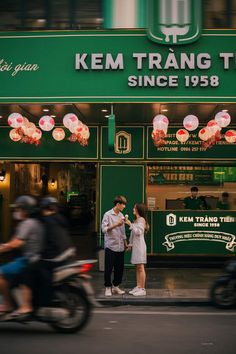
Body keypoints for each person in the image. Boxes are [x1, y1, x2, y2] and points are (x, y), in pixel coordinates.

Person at [0, 195, 43, 319]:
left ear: (25, 210)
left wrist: (4, 248)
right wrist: (4, 246)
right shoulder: (33, 223)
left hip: (28, 259)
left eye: (18, 209)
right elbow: (14, 240)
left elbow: (17, 242)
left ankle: (8, 304)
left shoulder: (28, 223)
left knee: (1, 273)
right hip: (31, 258)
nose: (16, 212)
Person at [37, 196, 76, 306]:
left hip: (54, 256)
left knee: (38, 271)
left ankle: (45, 301)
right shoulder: (60, 219)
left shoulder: (47, 222)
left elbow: (45, 241)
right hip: (67, 253)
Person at [101, 195, 127, 297]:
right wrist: (116, 224)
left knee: (119, 268)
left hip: (120, 246)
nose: (124, 206)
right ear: (117, 204)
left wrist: (125, 242)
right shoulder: (107, 215)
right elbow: (104, 229)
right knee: (108, 268)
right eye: (123, 204)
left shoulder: (122, 215)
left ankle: (116, 286)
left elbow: (123, 231)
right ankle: (108, 287)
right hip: (110, 246)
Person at [125, 203, 149, 296]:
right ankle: (138, 286)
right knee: (137, 267)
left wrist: (130, 224)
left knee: (140, 267)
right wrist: (130, 245)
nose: (133, 209)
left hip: (140, 246)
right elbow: (132, 235)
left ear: (139, 209)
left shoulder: (141, 220)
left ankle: (142, 289)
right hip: (136, 246)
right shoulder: (137, 220)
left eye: (134, 208)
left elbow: (139, 232)